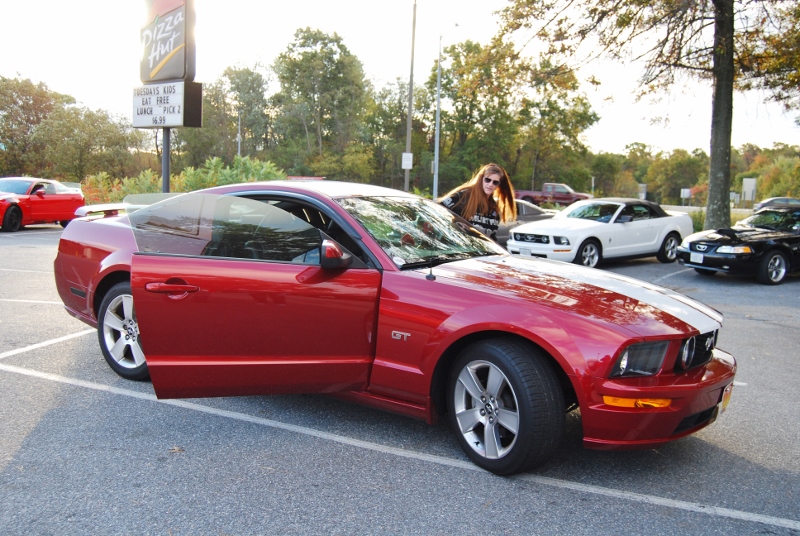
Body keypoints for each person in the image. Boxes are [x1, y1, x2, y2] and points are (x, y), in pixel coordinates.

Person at [438, 163, 517, 241]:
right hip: (456, 248)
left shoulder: (493, 208)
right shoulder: (463, 197)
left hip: (478, 251)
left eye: (495, 182)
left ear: (498, 185)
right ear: (481, 179)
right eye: (487, 180)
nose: (490, 184)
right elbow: (437, 211)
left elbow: (491, 239)